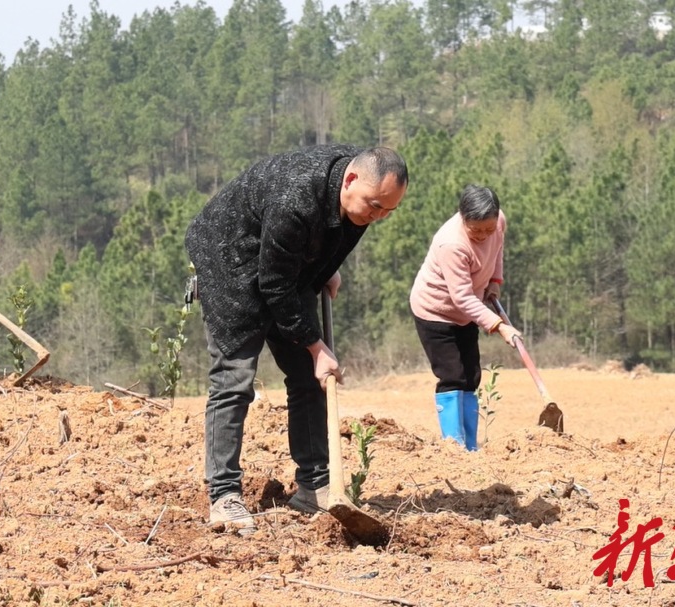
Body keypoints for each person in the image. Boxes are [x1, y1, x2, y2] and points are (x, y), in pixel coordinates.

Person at [185, 144, 409, 534]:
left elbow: (323, 242)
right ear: (351, 180)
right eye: (375, 207)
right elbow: (273, 284)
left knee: (309, 378)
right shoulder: (296, 198)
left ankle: (314, 486)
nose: (379, 217)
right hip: (232, 260)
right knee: (234, 379)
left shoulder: (358, 189)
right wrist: (316, 346)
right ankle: (223, 496)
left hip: (281, 262)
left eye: (389, 211)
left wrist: (325, 266)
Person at [409, 185, 521, 451]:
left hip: (469, 310)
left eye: (488, 229)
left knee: (471, 375)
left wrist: (494, 280)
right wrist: (500, 326)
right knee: (452, 376)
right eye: (476, 230)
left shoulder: (497, 222)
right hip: (436, 311)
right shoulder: (452, 243)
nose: (483, 235)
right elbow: (461, 297)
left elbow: (497, 250)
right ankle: (454, 448)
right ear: (462, 217)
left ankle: (471, 446)